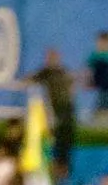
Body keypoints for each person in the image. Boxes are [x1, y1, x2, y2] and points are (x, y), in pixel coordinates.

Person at [27, 49, 77, 178]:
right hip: (56, 109)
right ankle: (58, 165)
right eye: (50, 57)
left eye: (54, 57)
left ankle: (63, 166)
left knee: (66, 137)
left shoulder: (63, 72)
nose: (52, 60)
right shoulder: (45, 73)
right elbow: (29, 79)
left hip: (67, 109)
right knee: (58, 136)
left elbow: (72, 85)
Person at [88, 31, 108, 117]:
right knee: (102, 110)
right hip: (105, 88)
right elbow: (89, 70)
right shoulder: (96, 56)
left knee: (103, 110)